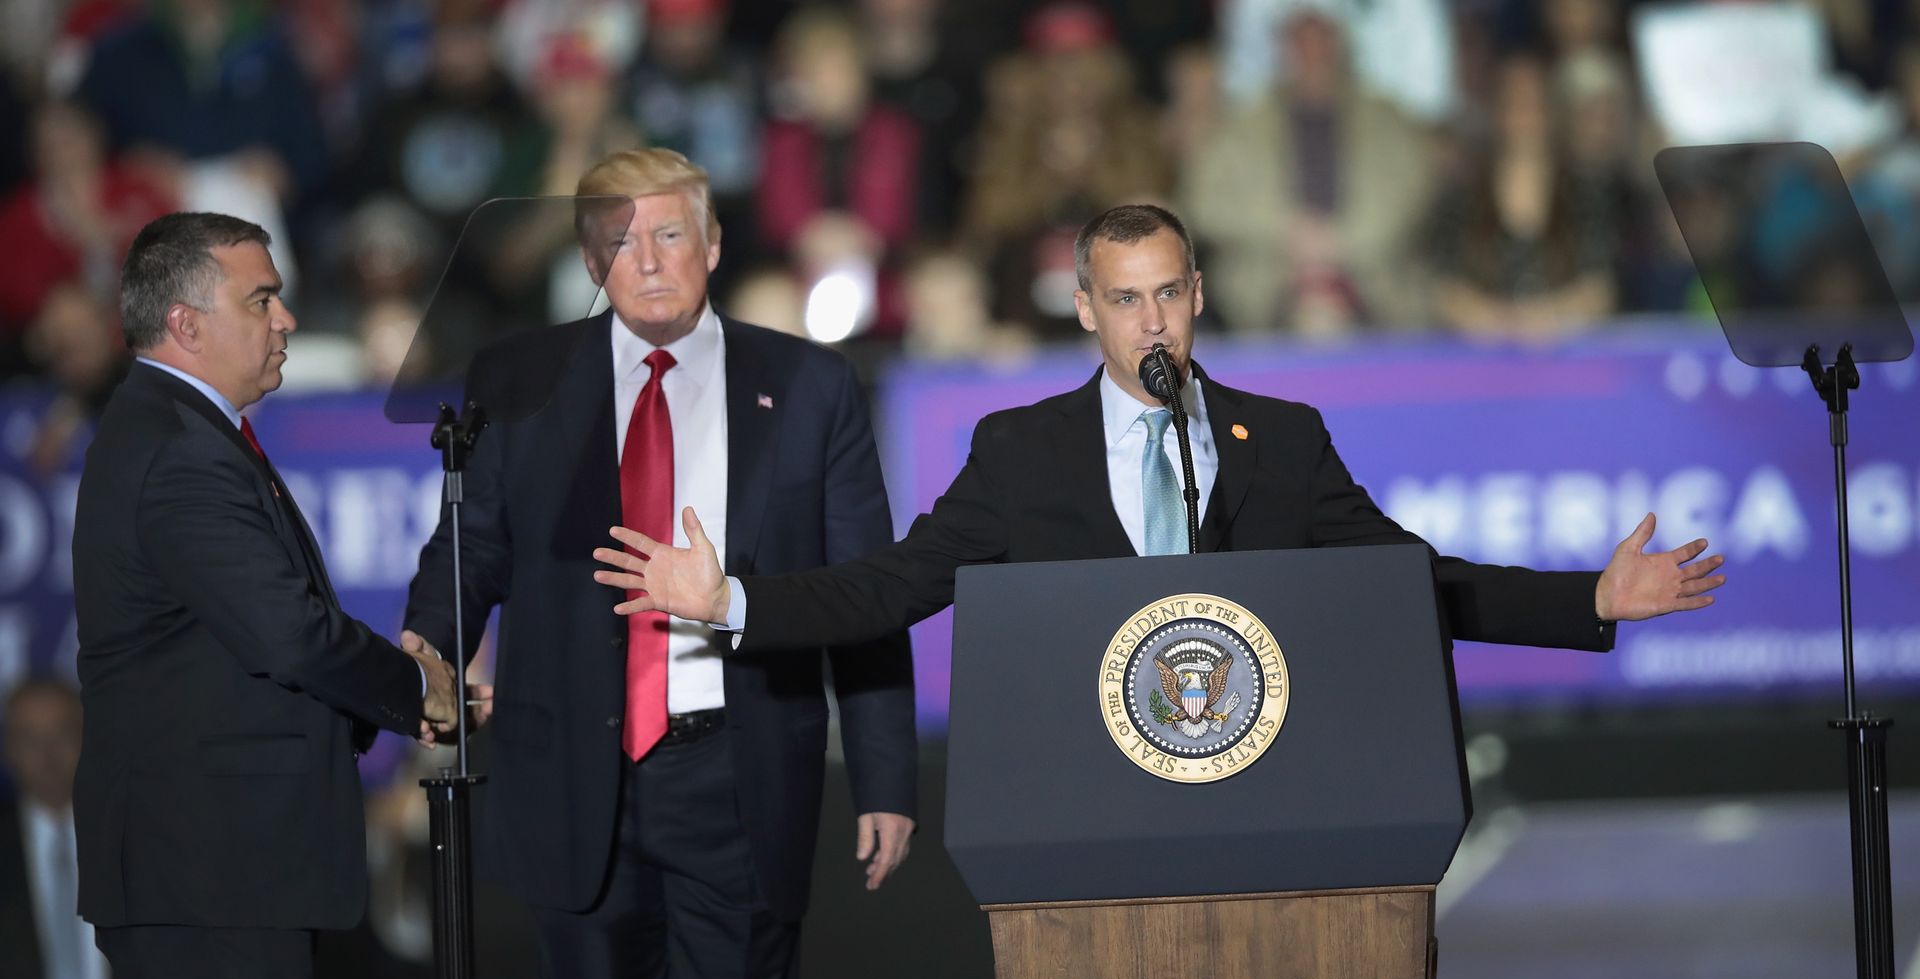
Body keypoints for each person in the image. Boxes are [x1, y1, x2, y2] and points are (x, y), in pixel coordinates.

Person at [594, 203, 1725, 657]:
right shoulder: (1019, 451)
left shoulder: (1279, 439)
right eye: (1125, 299)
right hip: (1088, 814)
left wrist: (1588, 599)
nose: (1153, 321)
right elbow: (890, 587)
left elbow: (1406, 581)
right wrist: (731, 600)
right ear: (1086, 310)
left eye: (1169, 294)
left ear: (1197, 297)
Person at [403, 147, 917, 979]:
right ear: (591, 263)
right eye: (619, 241)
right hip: (570, 772)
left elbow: (863, 590)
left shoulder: (809, 386)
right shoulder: (519, 381)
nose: (646, 259)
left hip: (738, 769)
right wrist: (430, 648)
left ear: (713, 243)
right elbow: (472, 545)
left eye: (669, 233)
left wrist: (885, 775)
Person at [71, 211, 460, 979]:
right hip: (208, 880)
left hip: (222, 875)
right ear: (186, 324)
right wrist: (418, 689)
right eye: (263, 300)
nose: (286, 320)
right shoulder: (179, 449)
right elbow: (286, 632)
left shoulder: (183, 432)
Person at [0, 676, 123, 979]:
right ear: (8, 750)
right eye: (29, 738)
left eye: (62, 734)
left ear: (89, 738)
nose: (48, 754)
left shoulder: (134, 841)